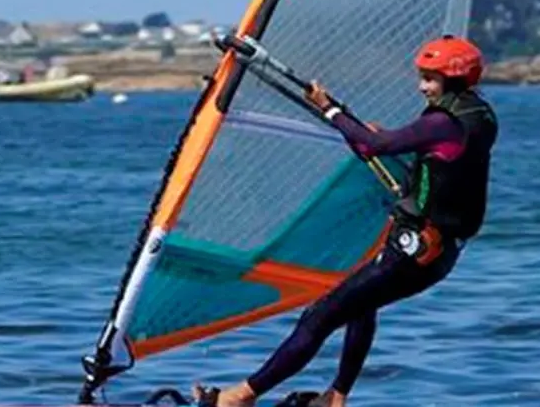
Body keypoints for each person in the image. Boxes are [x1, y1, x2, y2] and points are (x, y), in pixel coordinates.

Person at [192, 35, 499, 407]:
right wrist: (353, 124)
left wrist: (331, 111)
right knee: (361, 307)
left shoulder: (442, 123)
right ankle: (336, 398)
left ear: (454, 79)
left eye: (430, 79)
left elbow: (375, 146)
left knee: (317, 318)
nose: (422, 87)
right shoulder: (478, 115)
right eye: (422, 77)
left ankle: (240, 397)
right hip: (438, 253)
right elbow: (399, 147)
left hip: (413, 253)